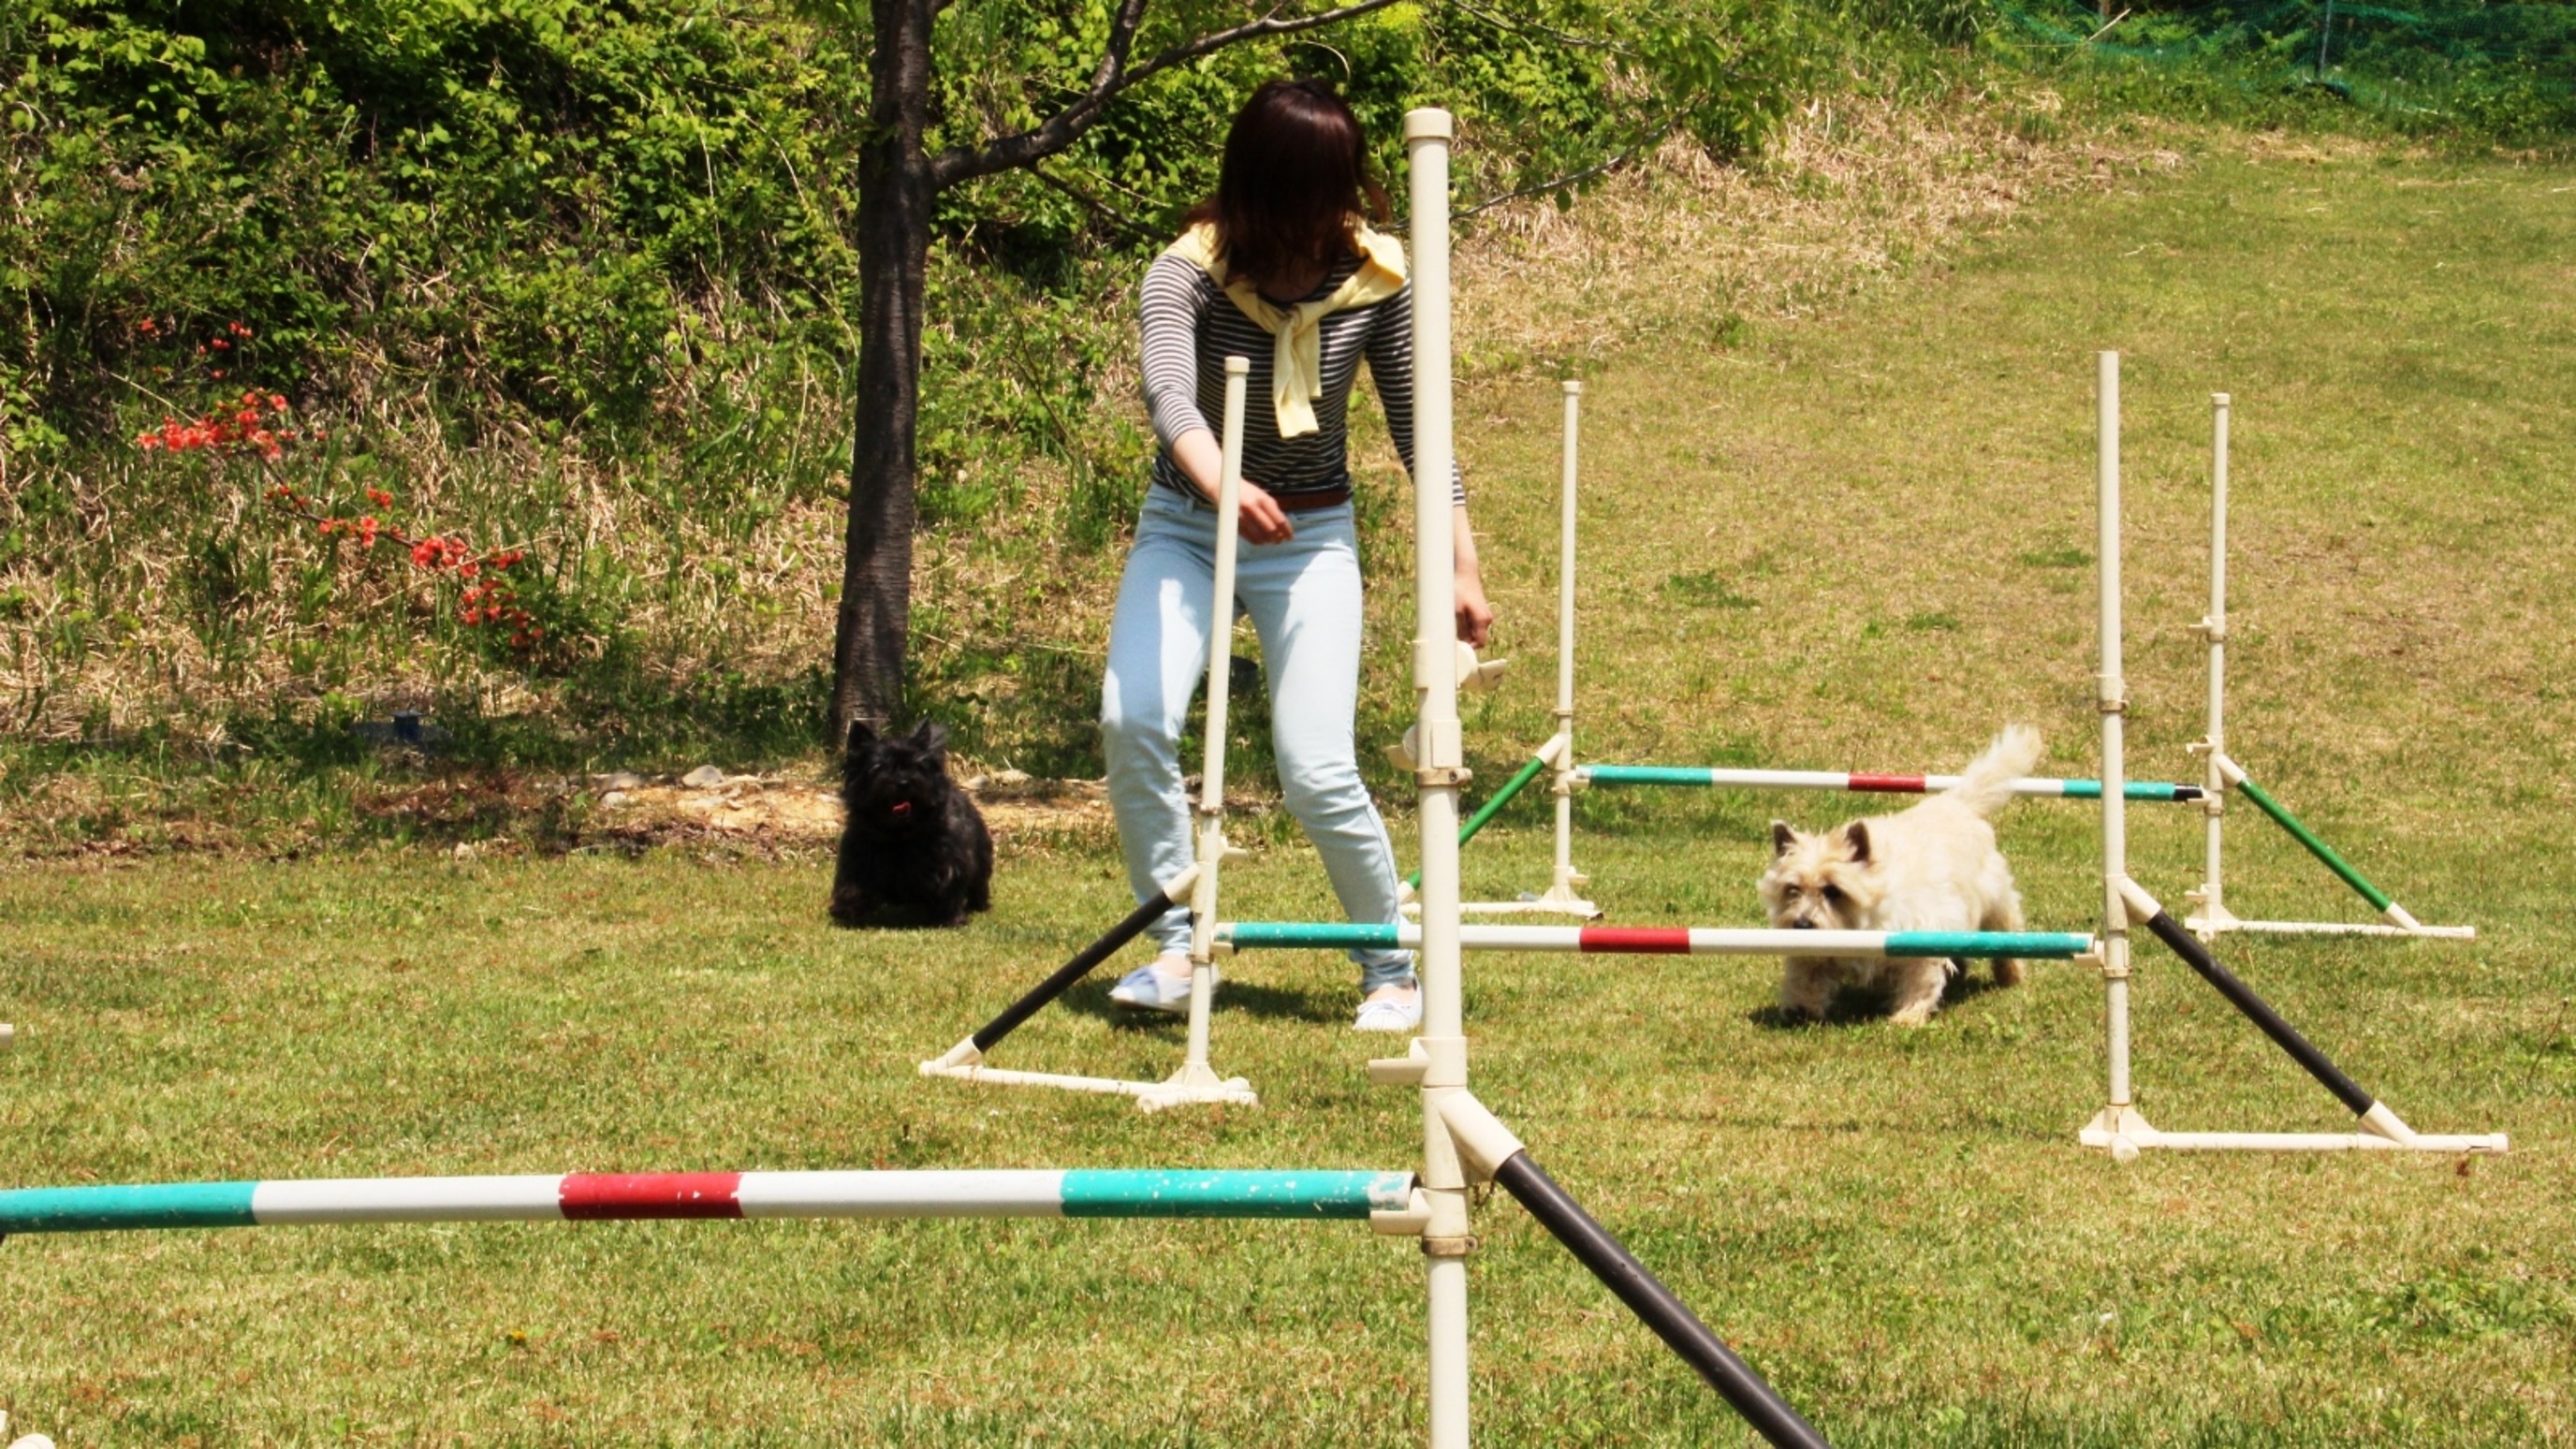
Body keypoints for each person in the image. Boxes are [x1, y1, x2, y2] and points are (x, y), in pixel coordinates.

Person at [1100, 79, 1493, 1033]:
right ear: (1257, 190)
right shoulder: (1184, 273)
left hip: (1312, 535)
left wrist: (1461, 565)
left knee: (1315, 765)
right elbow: (1167, 397)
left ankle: (1390, 969)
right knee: (1133, 719)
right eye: (1310, 198)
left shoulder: (1375, 277)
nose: (1330, 218)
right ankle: (1177, 945)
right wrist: (1221, 483)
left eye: (1341, 194)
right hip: (1187, 526)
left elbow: (1418, 425)